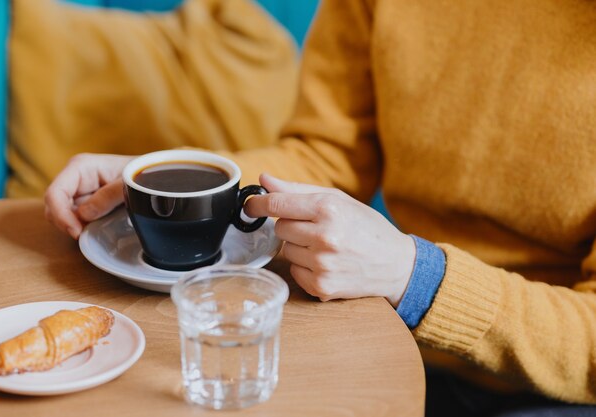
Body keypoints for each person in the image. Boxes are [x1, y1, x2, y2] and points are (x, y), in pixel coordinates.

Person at [44, 1, 596, 415]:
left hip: (547, 385)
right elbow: (328, 153)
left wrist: (414, 274)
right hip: (396, 333)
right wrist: (165, 177)